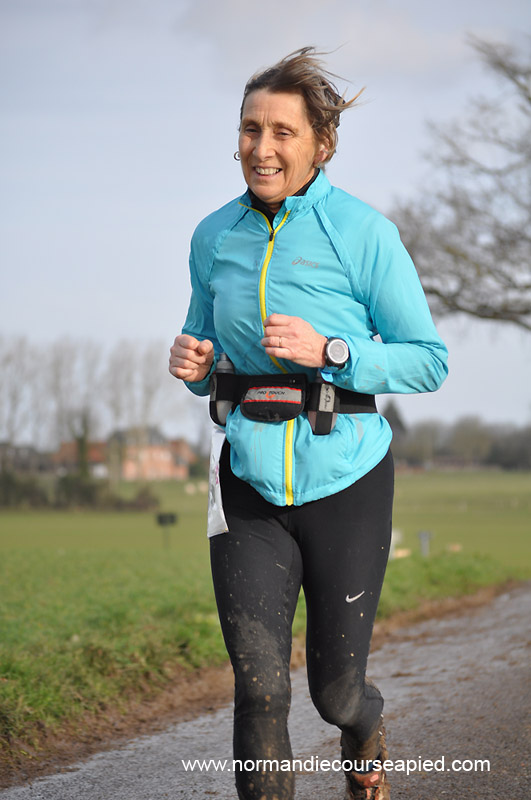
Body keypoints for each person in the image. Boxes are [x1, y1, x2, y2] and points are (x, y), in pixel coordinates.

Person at [169, 47, 448, 800]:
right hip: (247, 482)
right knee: (259, 690)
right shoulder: (213, 237)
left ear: (321, 145)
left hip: (346, 480)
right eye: (250, 129)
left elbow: (428, 362)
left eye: (282, 132)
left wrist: (332, 351)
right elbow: (207, 355)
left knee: (334, 693)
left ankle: (365, 724)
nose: (261, 148)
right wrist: (194, 364)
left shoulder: (361, 232)